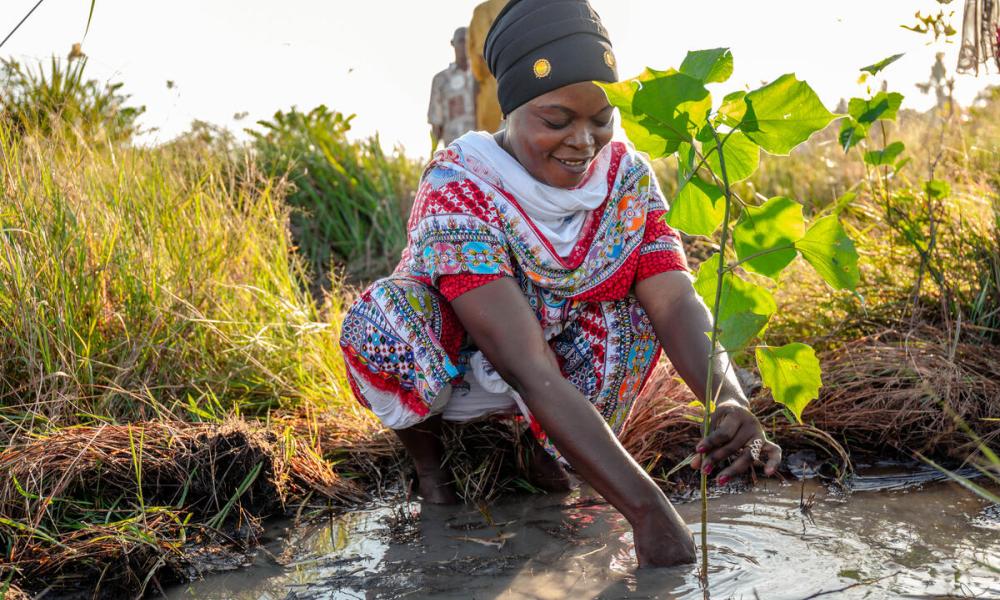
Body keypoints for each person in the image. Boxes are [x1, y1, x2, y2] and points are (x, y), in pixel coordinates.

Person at [341, 0, 781, 567]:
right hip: (464, 365)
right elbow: (525, 364)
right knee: (388, 317)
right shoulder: (460, 182)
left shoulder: (625, 179)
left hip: (559, 366)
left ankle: (556, 458)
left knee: (635, 314)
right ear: (511, 109)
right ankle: (432, 470)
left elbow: (674, 300)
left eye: (601, 119)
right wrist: (646, 511)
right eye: (557, 121)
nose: (584, 141)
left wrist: (728, 400)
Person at [428, 27, 476, 149]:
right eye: (461, 41)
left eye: (468, 40)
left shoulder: (482, 78)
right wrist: (433, 154)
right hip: (455, 152)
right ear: (452, 43)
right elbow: (436, 124)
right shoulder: (441, 80)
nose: (465, 45)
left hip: (482, 150)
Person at [466, 0, 509, 133]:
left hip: (494, 101)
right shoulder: (527, 5)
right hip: (529, 97)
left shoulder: (482, 11)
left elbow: (482, 56)